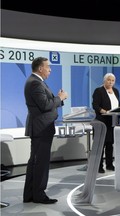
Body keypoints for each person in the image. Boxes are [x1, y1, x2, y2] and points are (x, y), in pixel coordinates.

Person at [23, 57, 68, 204]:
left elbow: (46, 103)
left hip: (41, 127)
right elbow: (45, 105)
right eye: (48, 66)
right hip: (41, 128)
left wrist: (58, 99)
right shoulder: (35, 83)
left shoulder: (36, 82)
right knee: (40, 163)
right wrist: (60, 98)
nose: (50, 69)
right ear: (40, 68)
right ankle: (39, 195)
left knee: (35, 162)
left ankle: (30, 194)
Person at [92, 73, 120, 173]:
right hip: (101, 121)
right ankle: (99, 166)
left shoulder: (116, 91)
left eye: (112, 80)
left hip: (112, 121)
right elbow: (95, 105)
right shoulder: (99, 91)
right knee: (101, 145)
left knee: (110, 144)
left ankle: (109, 164)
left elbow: (119, 104)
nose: (110, 82)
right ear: (104, 81)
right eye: (108, 80)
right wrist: (105, 111)